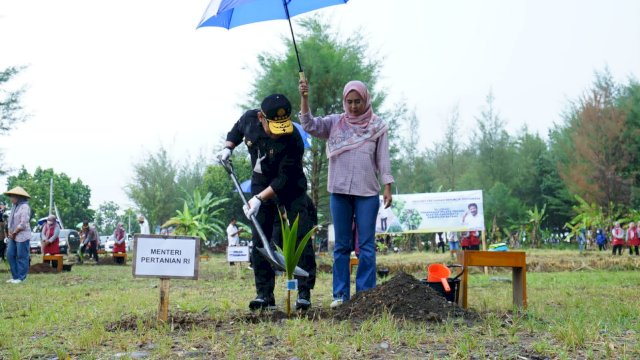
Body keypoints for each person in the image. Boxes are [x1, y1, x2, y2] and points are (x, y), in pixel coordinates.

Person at [217, 93, 317, 311]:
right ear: (261, 117)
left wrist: (260, 199)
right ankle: (264, 294)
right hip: (260, 183)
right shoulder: (249, 119)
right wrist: (228, 147)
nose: (276, 133)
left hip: (291, 187)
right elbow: (236, 130)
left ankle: (303, 293)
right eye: (273, 126)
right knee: (259, 239)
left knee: (301, 234)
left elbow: (284, 178)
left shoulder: (293, 138)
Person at [299, 79, 394, 308]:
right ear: (344, 102)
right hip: (339, 191)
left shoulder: (377, 126)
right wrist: (304, 98)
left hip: (367, 192)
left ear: (366, 100)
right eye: (349, 102)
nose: (353, 106)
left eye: (357, 101)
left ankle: (366, 296)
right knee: (341, 246)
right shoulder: (334, 123)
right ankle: (340, 295)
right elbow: (309, 125)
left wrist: (387, 186)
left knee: (367, 246)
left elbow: (383, 159)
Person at [4, 186, 32, 284]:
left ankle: (21, 278)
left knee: (22, 256)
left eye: (12, 196)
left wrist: (15, 232)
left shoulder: (25, 207)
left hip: (22, 235)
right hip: (13, 235)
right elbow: (10, 221)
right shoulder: (14, 206)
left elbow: (23, 223)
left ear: (18, 197)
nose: (11, 198)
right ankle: (15, 276)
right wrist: (10, 233)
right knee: (10, 255)